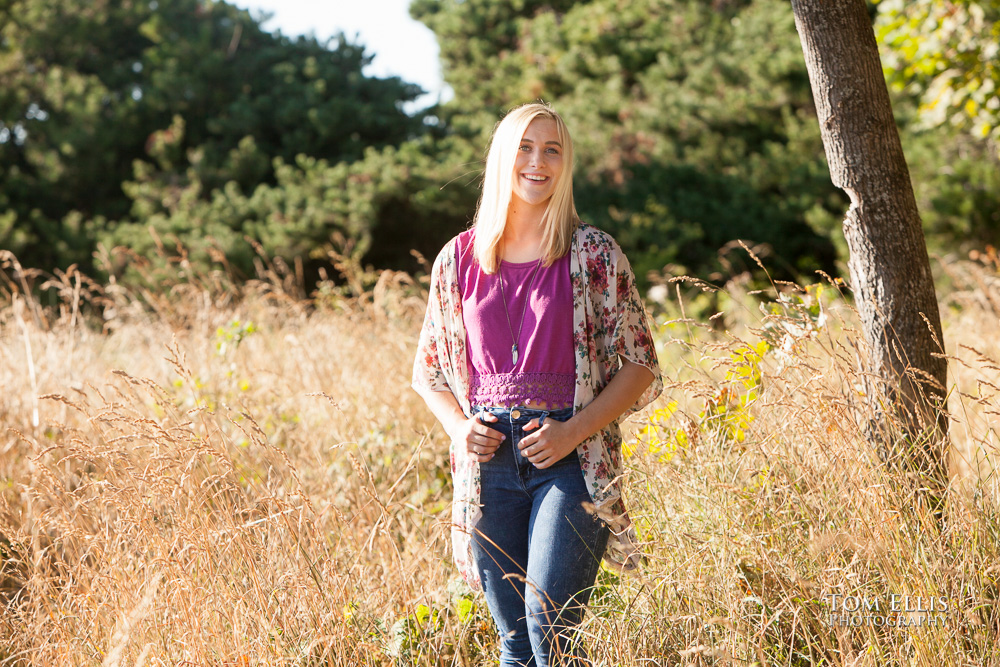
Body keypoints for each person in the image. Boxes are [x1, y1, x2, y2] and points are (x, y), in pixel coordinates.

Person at [412, 102, 663, 666]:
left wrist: (573, 432)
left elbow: (641, 363)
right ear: (503, 157)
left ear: (565, 163)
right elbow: (428, 370)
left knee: (551, 631)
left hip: (570, 459)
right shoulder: (456, 260)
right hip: (489, 465)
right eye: (525, 147)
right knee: (516, 643)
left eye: (552, 149)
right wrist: (459, 428)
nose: (538, 161)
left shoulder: (593, 253)